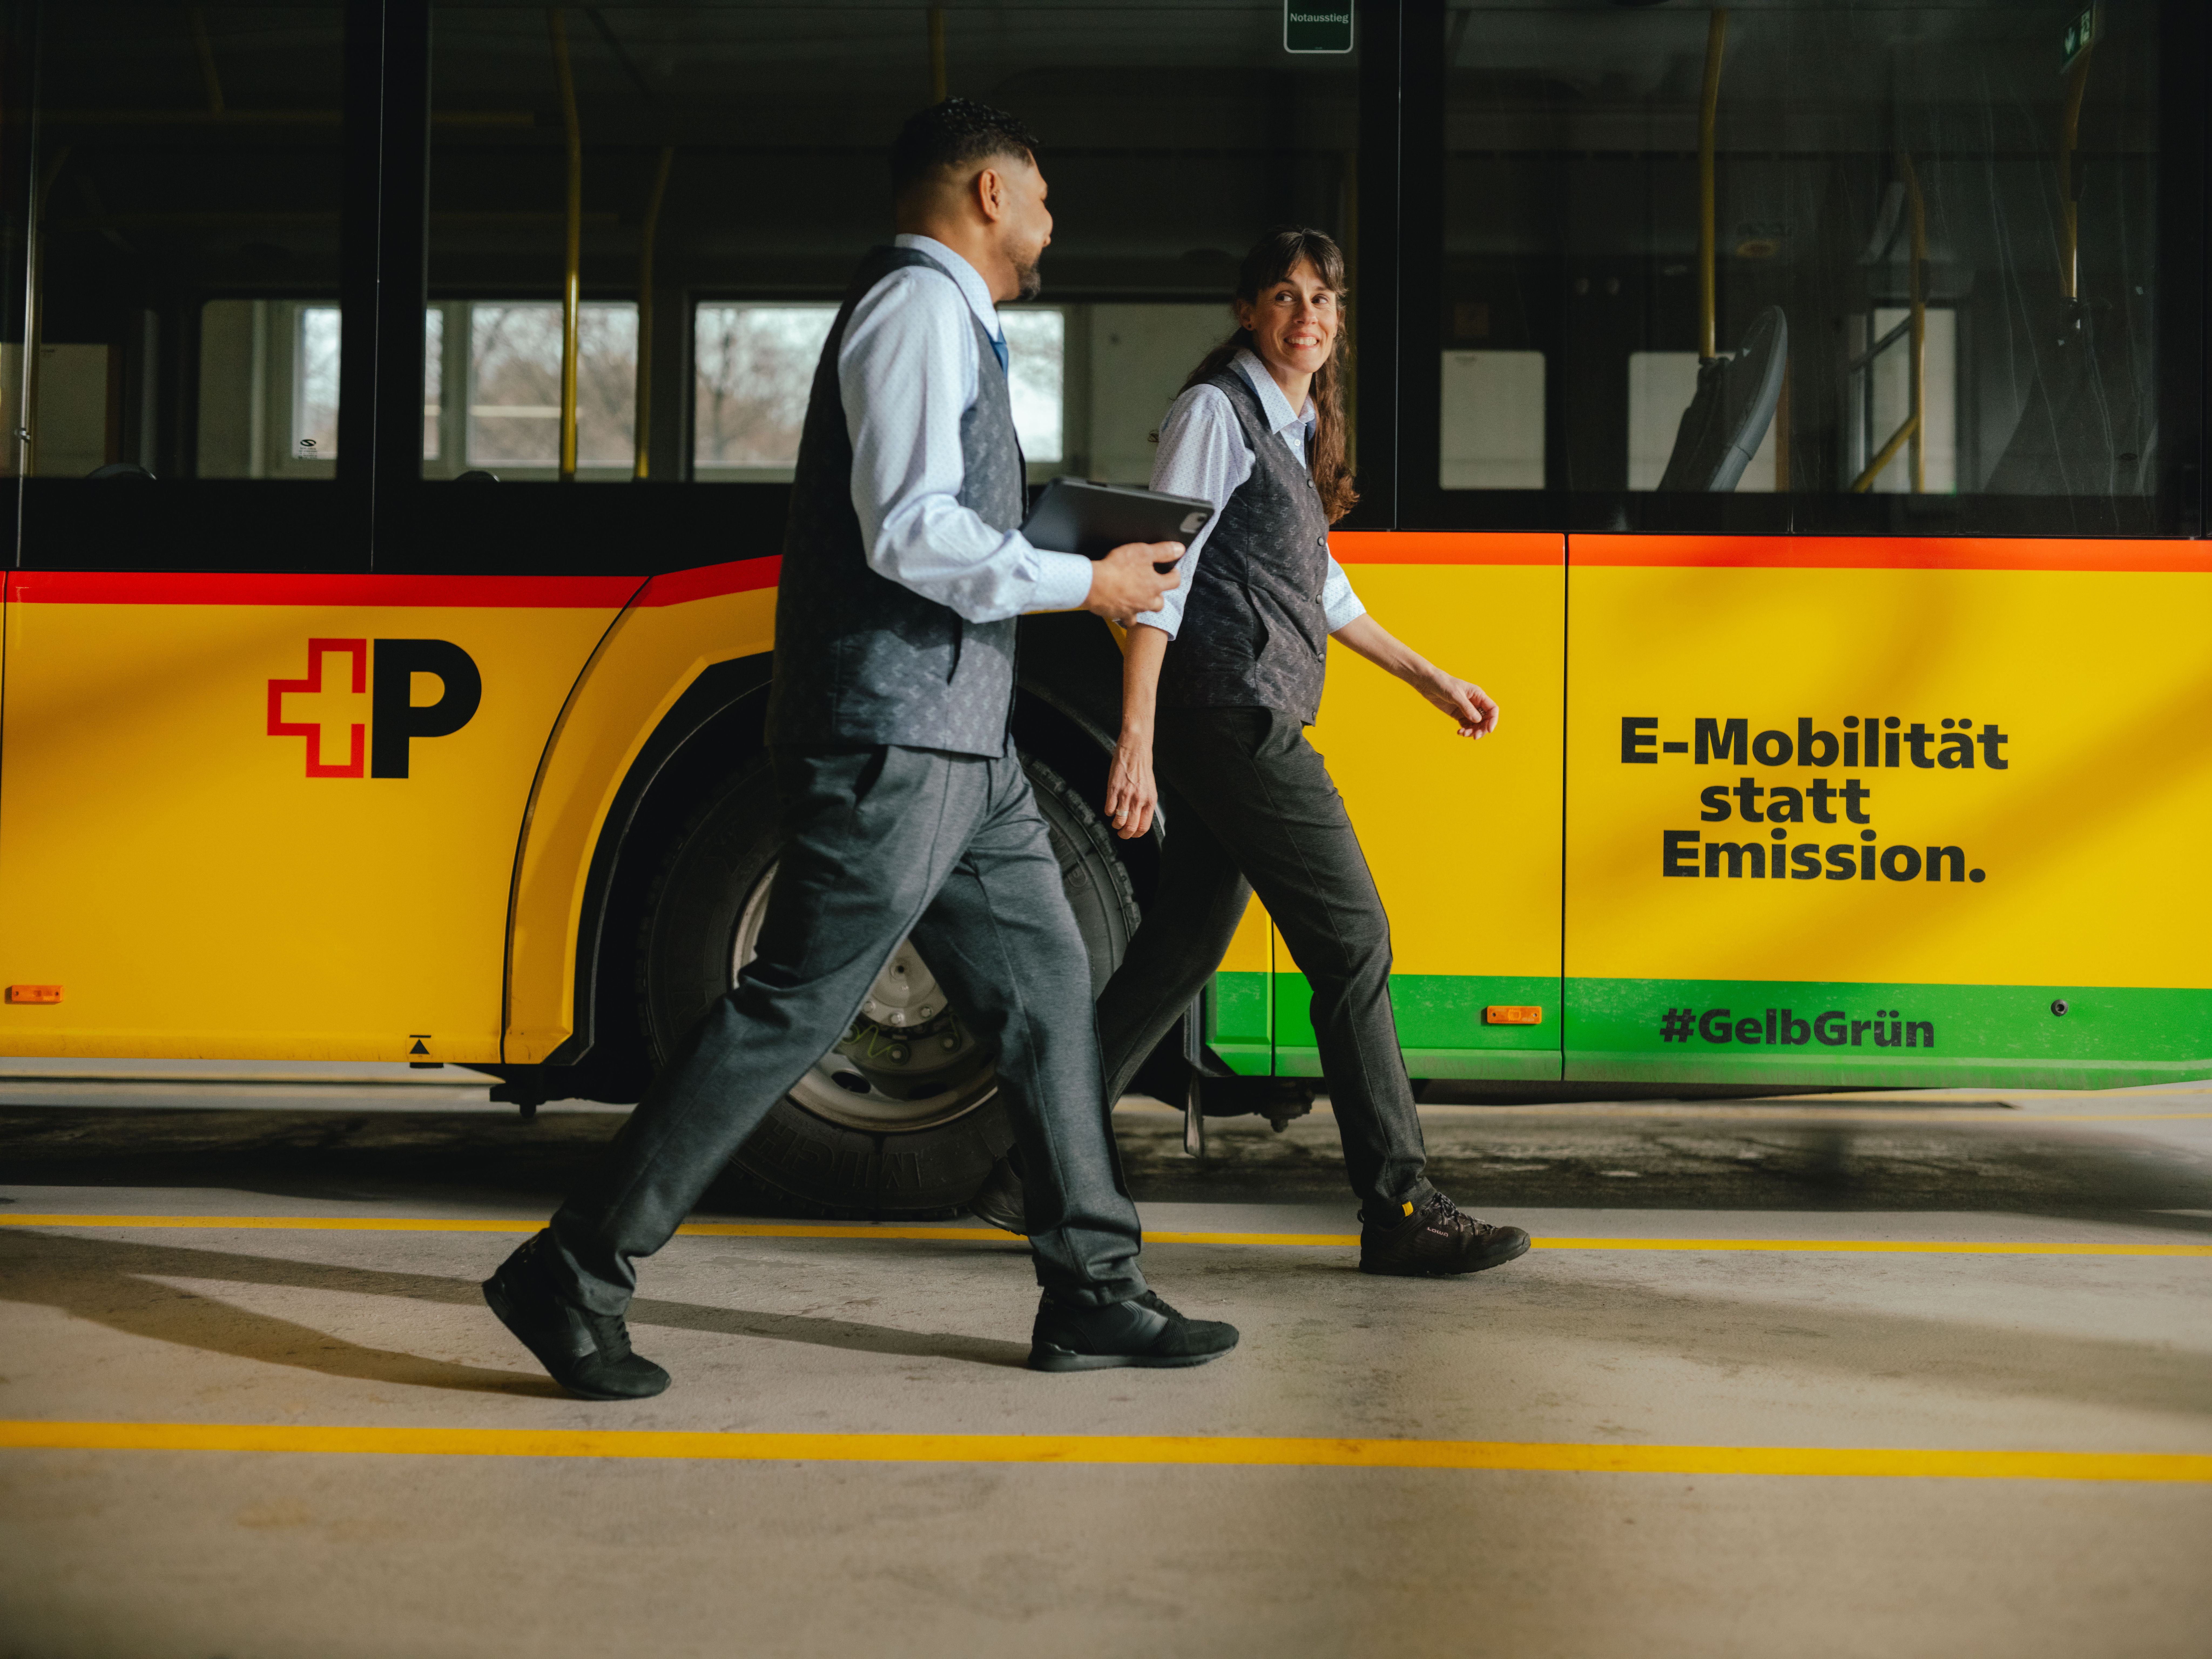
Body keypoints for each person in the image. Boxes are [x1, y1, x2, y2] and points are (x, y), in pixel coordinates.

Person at [482, 99, 1239, 1398]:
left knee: (1049, 989)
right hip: (894, 732)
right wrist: (1085, 581)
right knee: (796, 1004)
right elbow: (908, 531)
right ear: (988, 193)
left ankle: (1093, 1291)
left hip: (960, 738)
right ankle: (572, 1269)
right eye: (1042, 195)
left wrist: (1068, 549)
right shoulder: (915, 309)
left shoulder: (954, 321)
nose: (1052, 221)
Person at [973, 228, 1530, 1279]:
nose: (1305, 315)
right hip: (1230, 717)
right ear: (1247, 311)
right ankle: (1399, 1206)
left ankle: (1024, 1170)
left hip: (1237, 714)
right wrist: (1135, 739)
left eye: (1322, 298)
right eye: (1283, 295)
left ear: (1338, 320)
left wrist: (1427, 678)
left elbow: (1321, 587)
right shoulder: (1216, 413)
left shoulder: (1294, 424)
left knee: (1182, 948)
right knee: (1353, 944)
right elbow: (1162, 575)